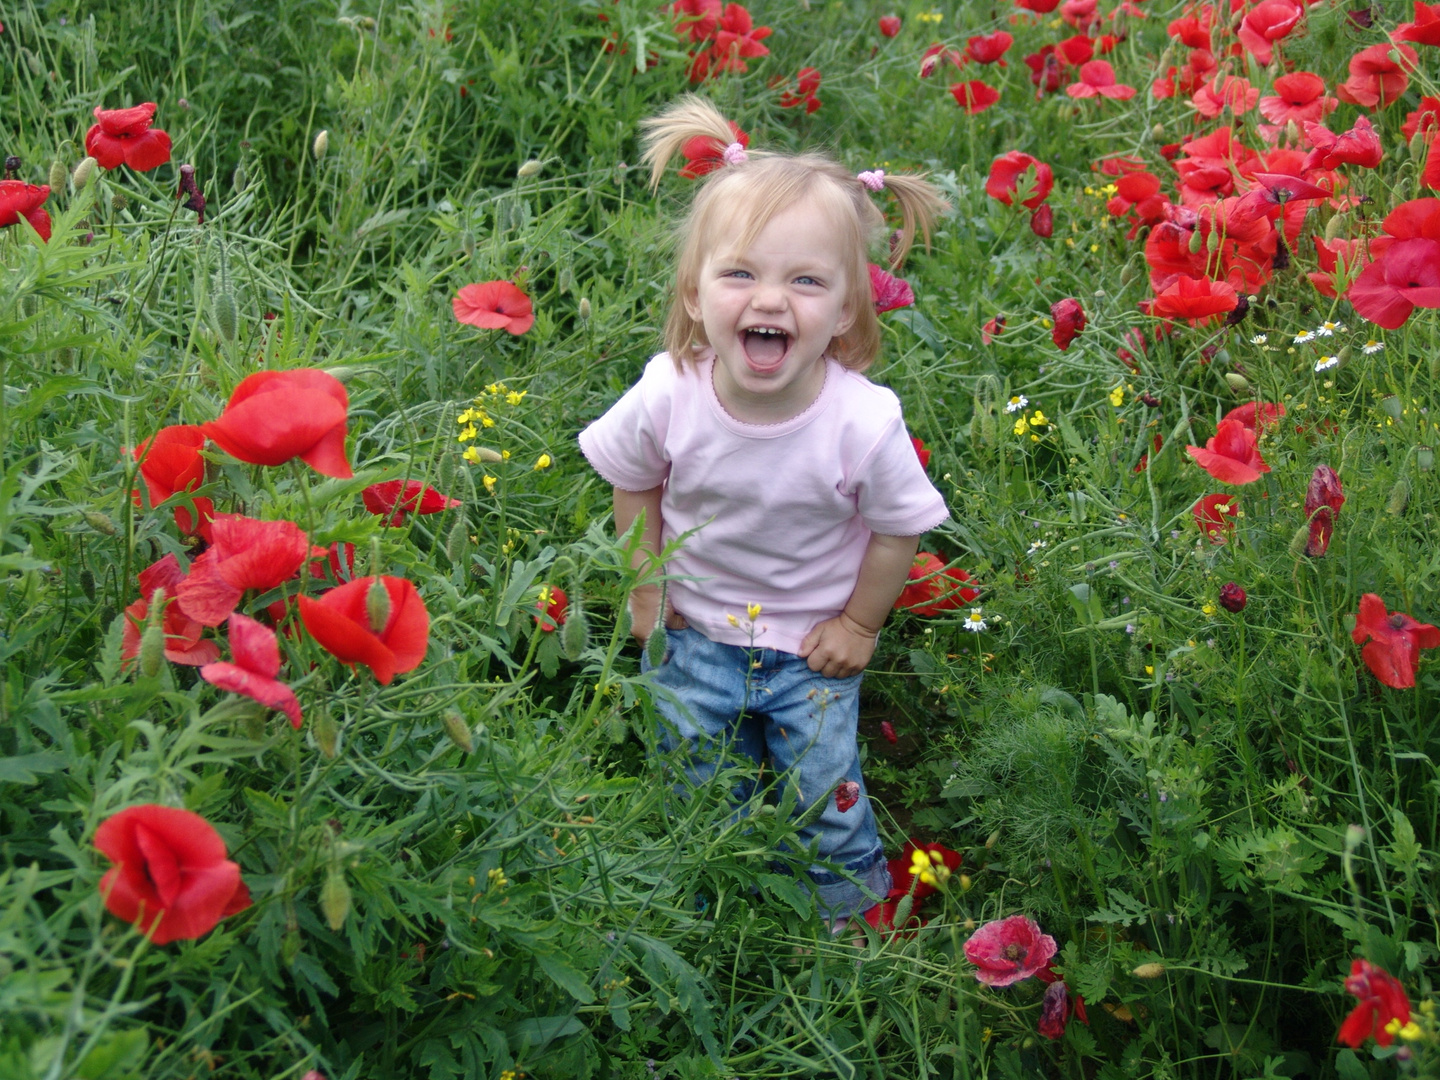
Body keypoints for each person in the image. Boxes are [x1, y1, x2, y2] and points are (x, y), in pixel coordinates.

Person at [578, 95, 950, 926]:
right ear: (695, 289)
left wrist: (859, 625)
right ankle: (712, 917)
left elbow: (899, 529)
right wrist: (646, 588)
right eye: (741, 273)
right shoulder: (670, 391)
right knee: (697, 787)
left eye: (806, 281)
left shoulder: (863, 420)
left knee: (828, 797)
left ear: (849, 309)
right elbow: (632, 482)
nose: (770, 300)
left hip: (813, 651)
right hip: (694, 637)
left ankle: (845, 921)